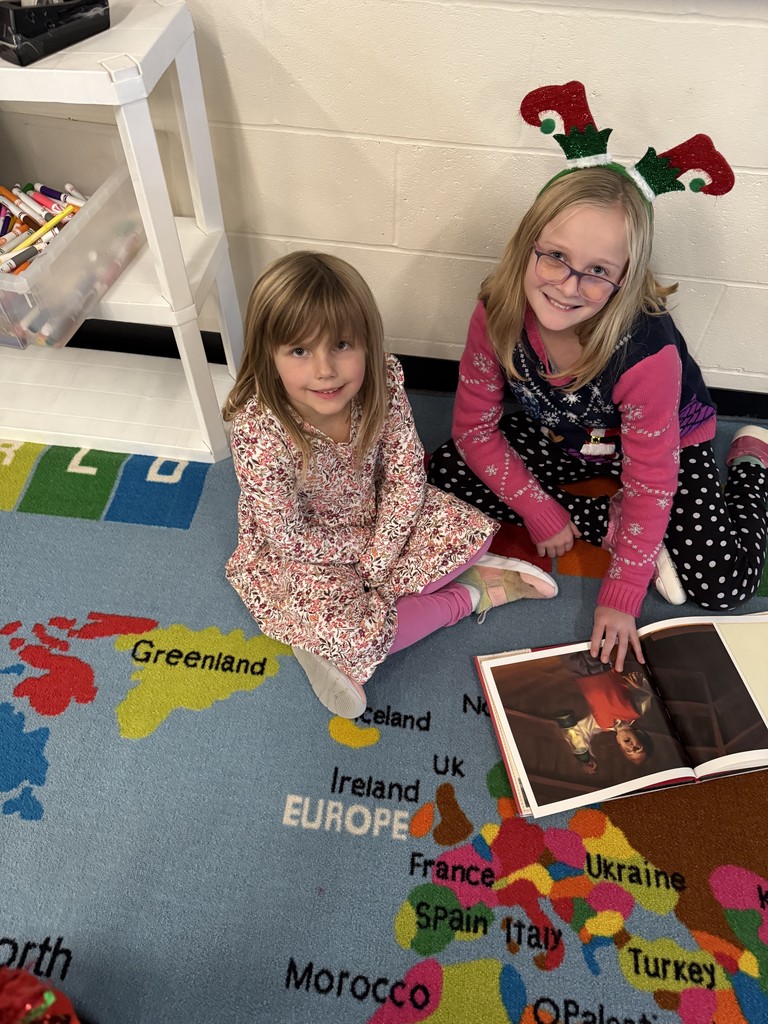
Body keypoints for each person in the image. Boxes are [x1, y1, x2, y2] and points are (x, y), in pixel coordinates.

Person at [427, 80, 768, 673]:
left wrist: (622, 593)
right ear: (526, 246)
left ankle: (749, 467)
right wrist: (540, 511)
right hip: (569, 439)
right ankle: (612, 524)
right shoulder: (497, 310)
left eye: (598, 271)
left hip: (663, 444)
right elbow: (475, 431)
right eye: (555, 256)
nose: (568, 284)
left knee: (723, 583)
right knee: (443, 476)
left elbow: (653, 477)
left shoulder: (646, 354)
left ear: (627, 278)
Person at [223, 252, 557, 719]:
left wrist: (384, 548)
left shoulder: (384, 377)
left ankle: (360, 621)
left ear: (367, 342)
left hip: (382, 518)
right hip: (307, 549)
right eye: (299, 351)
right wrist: (368, 554)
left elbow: (405, 473)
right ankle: (470, 595)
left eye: (341, 345)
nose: (324, 370)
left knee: (468, 531)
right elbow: (287, 536)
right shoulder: (258, 428)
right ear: (268, 356)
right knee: (347, 628)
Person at [554, 652, 654, 774]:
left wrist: (585, 759)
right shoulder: (637, 711)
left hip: (579, 674)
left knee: (567, 653)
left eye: (629, 751)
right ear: (641, 735)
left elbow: (578, 733)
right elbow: (645, 694)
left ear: (620, 745)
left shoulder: (601, 724)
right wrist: (638, 686)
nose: (631, 747)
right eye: (637, 748)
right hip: (602, 666)